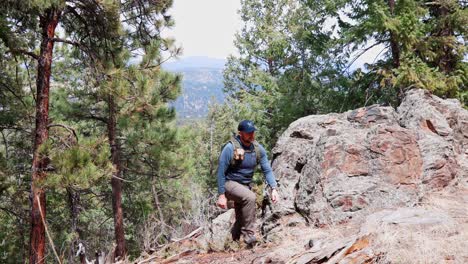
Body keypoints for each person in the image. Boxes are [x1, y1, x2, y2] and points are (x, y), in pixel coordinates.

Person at [216, 120, 279, 245]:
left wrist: (274, 188)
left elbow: (267, 169)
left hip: (245, 186)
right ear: (240, 133)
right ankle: (249, 236)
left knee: (241, 218)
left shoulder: (258, 149)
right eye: (248, 133)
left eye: (253, 132)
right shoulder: (230, 148)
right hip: (229, 183)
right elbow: (221, 172)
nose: (251, 135)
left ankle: (231, 243)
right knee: (250, 197)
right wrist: (221, 195)